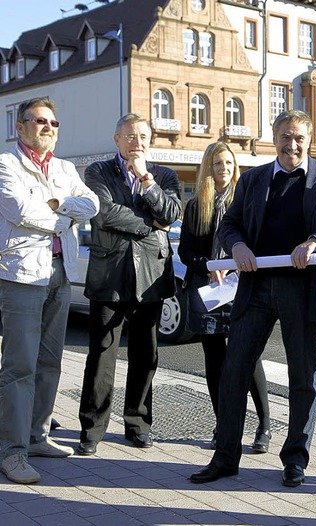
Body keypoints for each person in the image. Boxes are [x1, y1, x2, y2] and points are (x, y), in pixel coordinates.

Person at [188, 109, 316, 486]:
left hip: (302, 288)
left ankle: (295, 459)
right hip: (255, 287)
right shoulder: (253, 181)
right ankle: (226, 457)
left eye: (299, 137)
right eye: (285, 136)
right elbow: (230, 223)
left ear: (308, 139)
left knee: (302, 377)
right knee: (234, 372)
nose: (292, 144)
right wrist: (237, 247)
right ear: (274, 136)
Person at [0, 97, 99, 484]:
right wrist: (61, 219)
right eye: (39, 121)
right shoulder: (6, 164)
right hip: (21, 274)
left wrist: (57, 204)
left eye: (54, 123)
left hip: (60, 272)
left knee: (50, 362)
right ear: (21, 127)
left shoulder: (65, 167)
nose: (48, 128)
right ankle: (12, 451)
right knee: (19, 367)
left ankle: (37, 435)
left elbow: (90, 205)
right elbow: (19, 210)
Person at [77, 113, 182, 456]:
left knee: (145, 354)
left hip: (151, 275)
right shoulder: (98, 172)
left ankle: (138, 425)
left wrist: (147, 182)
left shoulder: (164, 175)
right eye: (130, 136)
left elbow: (170, 213)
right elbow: (104, 214)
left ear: (150, 141)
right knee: (102, 355)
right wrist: (150, 226)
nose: (137, 142)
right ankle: (92, 429)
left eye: (142, 136)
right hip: (110, 274)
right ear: (117, 140)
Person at [178, 141, 271, 453]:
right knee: (214, 359)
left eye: (229, 163)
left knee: (249, 355)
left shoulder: (245, 201)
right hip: (207, 290)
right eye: (218, 163)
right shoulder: (195, 206)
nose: (224, 169)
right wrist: (207, 266)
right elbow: (186, 250)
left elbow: (257, 243)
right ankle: (224, 425)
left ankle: (264, 425)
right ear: (208, 167)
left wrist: (231, 267)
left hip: (240, 287)